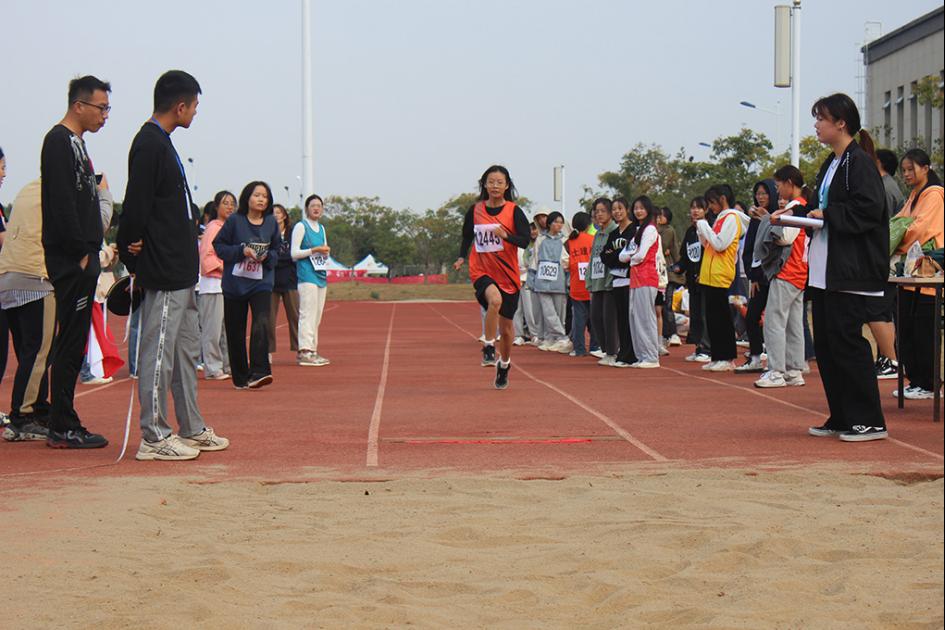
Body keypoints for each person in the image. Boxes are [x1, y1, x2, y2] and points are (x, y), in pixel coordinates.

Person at [119, 69, 229, 460]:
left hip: (183, 271)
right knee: (159, 350)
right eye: (195, 105)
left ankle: (192, 426)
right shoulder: (148, 143)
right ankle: (153, 435)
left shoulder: (164, 144)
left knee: (185, 352)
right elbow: (135, 206)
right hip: (164, 270)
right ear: (180, 105)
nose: (197, 112)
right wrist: (128, 248)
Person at [805, 93, 888, 442]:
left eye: (821, 119)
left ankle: (869, 419)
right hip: (825, 271)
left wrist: (827, 215)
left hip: (850, 271)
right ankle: (842, 415)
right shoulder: (832, 163)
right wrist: (797, 215)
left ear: (841, 122)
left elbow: (869, 209)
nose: (816, 125)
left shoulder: (859, 162)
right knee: (826, 344)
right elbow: (818, 207)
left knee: (848, 343)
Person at [40, 75, 112, 449]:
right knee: (70, 341)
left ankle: (63, 419)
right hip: (72, 260)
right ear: (78, 105)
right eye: (101, 108)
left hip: (83, 256)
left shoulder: (78, 145)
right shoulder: (57, 142)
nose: (105, 115)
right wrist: (81, 252)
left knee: (74, 339)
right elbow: (62, 205)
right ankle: (62, 424)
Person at [454, 165, 530, 389]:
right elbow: (467, 236)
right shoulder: (475, 210)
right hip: (482, 269)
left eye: (499, 182)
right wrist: (461, 257)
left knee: (507, 331)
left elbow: (525, 240)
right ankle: (488, 346)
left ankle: (504, 364)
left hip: (508, 274)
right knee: (493, 301)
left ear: (507, 185)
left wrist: (506, 236)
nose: (495, 186)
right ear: (484, 184)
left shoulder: (514, 211)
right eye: (491, 181)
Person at [0, 179, 54, 441]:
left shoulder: (28, 189)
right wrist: (104, 199)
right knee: (38, 351)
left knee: (28, 352)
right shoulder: (58, 188)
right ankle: (22, 416)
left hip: (8, 276)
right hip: (36, 278)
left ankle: (36, 409)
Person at [213, 181, 281, 387]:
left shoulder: (271, 222)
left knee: (261, 323)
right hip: (235, 284)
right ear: (247, 198)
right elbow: (219, 246)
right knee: (235, 331)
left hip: (261, 282)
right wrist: (241, 251)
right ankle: (241, 377)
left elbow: (278, 250)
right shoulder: (235, 221)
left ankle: (259, 371)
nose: (261, 199)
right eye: (257, 195)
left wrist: (266, 257)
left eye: (265, 196)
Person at [891, 148, 943, 400]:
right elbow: (898, 222)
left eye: (911, 169)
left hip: (928, 273)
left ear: (926, 168)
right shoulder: (914, 195)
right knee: (906, 328)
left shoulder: (934, 194)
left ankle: (929, 383)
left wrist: (895, 239)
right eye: (904, 170)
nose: (907, 174)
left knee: (924, 329)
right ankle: (916, 379)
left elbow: (919, 229)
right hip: (910, 273)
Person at [753, 165, 811, 388]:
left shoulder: (795, 206)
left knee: (775, 321)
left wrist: (768, 220)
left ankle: (776, 371)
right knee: (794, 323)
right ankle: (794, 370)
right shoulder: (805, 205)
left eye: (778, 186)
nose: (777, 192)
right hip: (800, 271)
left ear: (789, 183)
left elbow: (785, 236)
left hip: (787, 270)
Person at [696, 184, 749, 372]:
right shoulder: (719, 219)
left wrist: (704, 226)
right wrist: (702, 232)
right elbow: (709, 244)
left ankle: (727, 357)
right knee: (711, 318)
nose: (711, 207)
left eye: (712, 202)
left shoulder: (732, 218)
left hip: (721, 273)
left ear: (723, 198)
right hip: (709, 273)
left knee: (722, 318)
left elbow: (720, 244)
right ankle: (716, 355)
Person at [868, 148, 905, 379]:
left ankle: (891, 360)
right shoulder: (889, 186)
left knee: (879, 311)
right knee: (881, 311)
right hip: (887, 256)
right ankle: (887, 358)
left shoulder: (884, 187)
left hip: (887, 257)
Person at [736, 179, 779, 374]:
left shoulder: (778, 216)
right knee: (752, 316)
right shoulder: (754, 219)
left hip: (776, 276)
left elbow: (774, 246)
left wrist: (768, 218)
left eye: (764, 193)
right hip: (759, 278)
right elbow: (751, 250)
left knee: (774, 320)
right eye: (758, 194)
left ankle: (777, 360)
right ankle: (755, 357)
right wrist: (753, 277)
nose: (761, 197)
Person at [619, 195, 662, 368]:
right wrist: (631, 257)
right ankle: (643, 355)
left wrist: (631, 257)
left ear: (648, 210)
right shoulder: (637, 231)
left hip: (647, 278)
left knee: (646, 317)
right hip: (636, 279)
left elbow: (641, 255)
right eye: (636, 208)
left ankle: (651, 356)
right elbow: (623, 255)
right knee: (635, 317)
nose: (638, 211)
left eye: (642, 208)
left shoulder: (650, 230)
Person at [291, 194, 332, 367]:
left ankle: (313, 349)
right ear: (307, 208)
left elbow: (325, 251)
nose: (316, 208)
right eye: (313, 205)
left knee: (317, 315)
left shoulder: (321, 229)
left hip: (320, 274)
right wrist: (312, 250)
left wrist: (323, 252)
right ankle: (304, 351)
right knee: (307, 312)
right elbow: (294, 254)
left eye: (319, 206)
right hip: (307, 275)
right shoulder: (301, 227)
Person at [198, 190, 234, 380]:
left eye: (232, 203)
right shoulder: (213, 227)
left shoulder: (228, 227)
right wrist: (226, 266)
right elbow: (206, 258)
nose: (229, 206)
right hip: (213, 286)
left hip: (226, 286)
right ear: (217, 206)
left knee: (226, 330)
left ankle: (227, 365)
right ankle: (212, 367)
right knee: (213, 330)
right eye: (225, 203)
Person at [599, 197, 636, 367]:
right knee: (620, 318)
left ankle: (631, 354)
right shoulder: (613, 233)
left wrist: (617, 256)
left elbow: (630, 255)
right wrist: (617, 257)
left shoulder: (633, 231)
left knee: (630, 318)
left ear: (627, 209)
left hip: (631, 279)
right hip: (616, 280)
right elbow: (605, 256)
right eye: (614, 209)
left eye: (620, 208)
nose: (617, 212)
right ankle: (624, 353)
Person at [530, 211, 571, 353]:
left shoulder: (565, 240)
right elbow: (534, 259)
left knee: (559, 312)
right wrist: (532, 278)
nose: (558, 225)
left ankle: (554, 338)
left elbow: (567, 260)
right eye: (555, 222)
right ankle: (560, 338)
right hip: (542, 280)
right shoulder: (540, 239)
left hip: (559, 281)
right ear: (549, 224)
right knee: (547, 311)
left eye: (561, 222)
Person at [586, 198, 620, 366]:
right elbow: (593, 259)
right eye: (596, 211)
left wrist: (609, 280)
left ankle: (613, 352)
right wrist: (589, 280)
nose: (599, 214)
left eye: (602, 211)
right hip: (597, 282)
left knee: (609, 318)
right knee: (595, 317)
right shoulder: (598, 234)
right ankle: (606, 350)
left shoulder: (615, 232)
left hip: (610, 282)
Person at [679, 197, 711, 362]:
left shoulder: (708, 228)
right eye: (693, 207)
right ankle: (699, 346)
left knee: (706, 314)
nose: (695, 210)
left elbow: (711, 252)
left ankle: (707, 348)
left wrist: (703, 272)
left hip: (706, 279)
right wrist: (678, 267)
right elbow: (685, 255)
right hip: (692, 280)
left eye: (699, 207)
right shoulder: (690, 232)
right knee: (696, 315)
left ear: (706, 210)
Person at [269, 203, 300, 357]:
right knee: (268, 318)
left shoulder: (292, 232)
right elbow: (268, 256)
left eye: (279, 212)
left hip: (290, 279)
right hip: (271, 280)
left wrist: (279, 258)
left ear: (284, 215)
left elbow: (294, 255)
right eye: (273, 212)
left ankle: (300, 349)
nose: (276, 215)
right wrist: (281, 258)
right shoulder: (267, 232)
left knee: (295, 316)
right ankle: (268, 352)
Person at [565, 211, 595, 357]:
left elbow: (564, 263)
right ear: (589, 225)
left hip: (576, 284)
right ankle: (596, 347)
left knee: (578, 319)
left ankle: (579, 348)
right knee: (594, 318)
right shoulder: (593, 239)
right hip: (592, 285)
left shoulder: (568, 242)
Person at [658, 206, 682, 347]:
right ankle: (666, 334)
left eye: (661, 216)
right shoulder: (658, 230)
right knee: (661, 305)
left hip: (669, 273)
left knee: (667, 304)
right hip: (662, 273)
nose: (658, 218)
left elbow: (661, 245)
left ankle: (672, 333)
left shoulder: (667, 231)